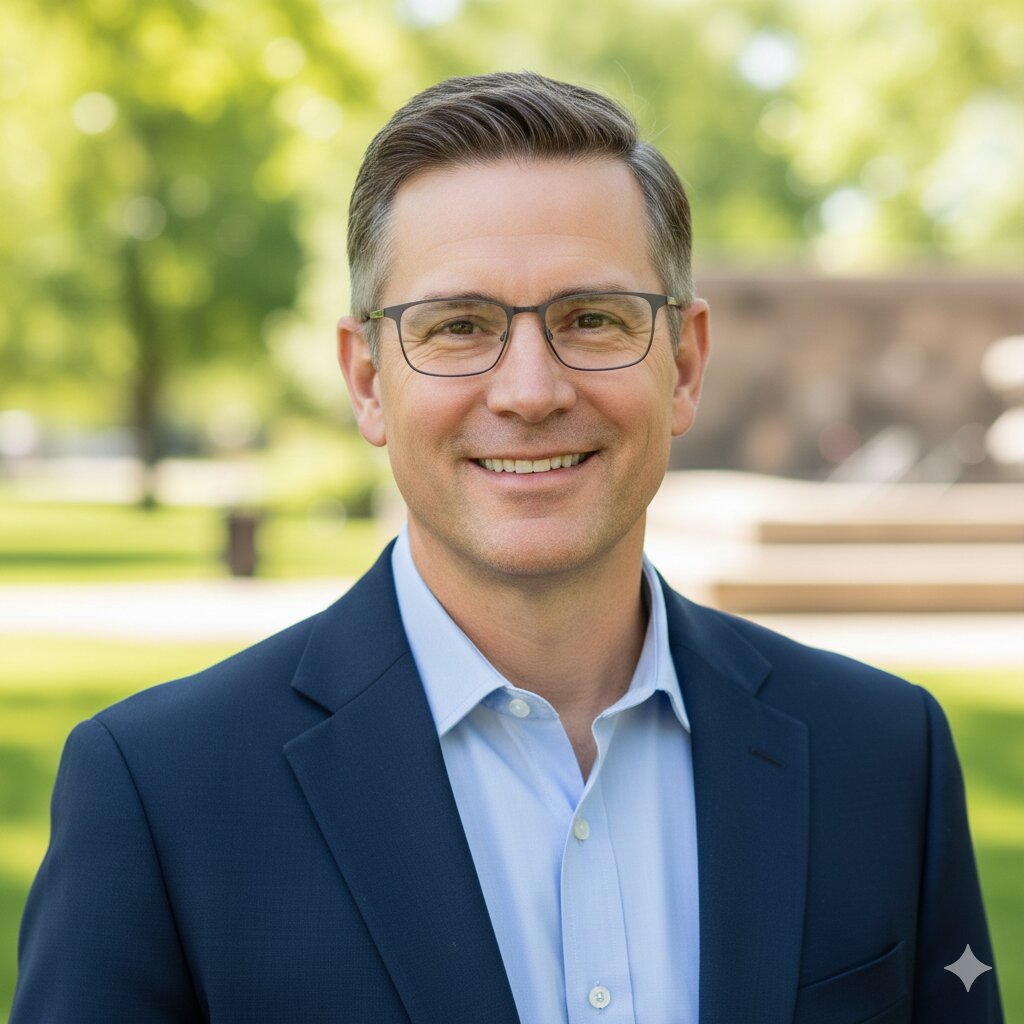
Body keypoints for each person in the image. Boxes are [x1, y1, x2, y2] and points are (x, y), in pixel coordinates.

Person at [11, 72, 1002, 1024]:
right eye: (458, 326)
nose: (530, 392)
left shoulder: (883, 756)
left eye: (593, 319)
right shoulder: (161, 793)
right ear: (367, 381)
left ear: (686, 363)